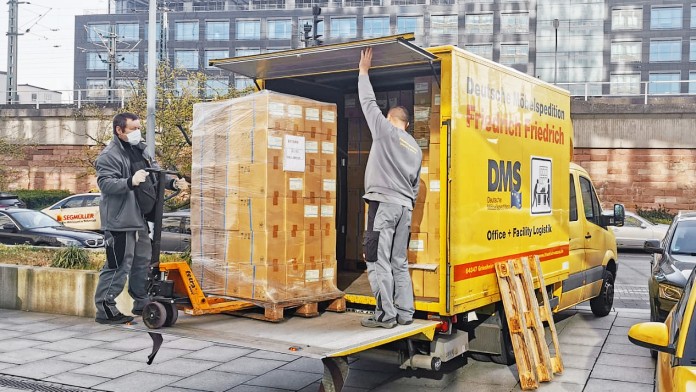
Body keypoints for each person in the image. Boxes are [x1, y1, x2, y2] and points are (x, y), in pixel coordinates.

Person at [93, 112, 189, 324]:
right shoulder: (108, 156)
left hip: (139, 218)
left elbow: (155, 173)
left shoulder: (141, 149)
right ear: (119, 130)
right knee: (118, 265)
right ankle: (105, 309)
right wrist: (130, 181)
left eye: (139, 128)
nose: (138, 132)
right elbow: (105, 184)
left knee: (143, 263)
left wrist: (173, 183)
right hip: (120, 221)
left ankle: (142, 302)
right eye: (133, 129)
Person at [358, 48, 422, 329]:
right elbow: (416, 187)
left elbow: (367, 101)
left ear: (389, 117)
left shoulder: (384, 130)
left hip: (383, 205)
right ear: (407, 123)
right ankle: (406, 313)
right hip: (404, 208)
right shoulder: (416, 148)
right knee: (399, 261)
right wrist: (406, 203)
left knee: (376, 259)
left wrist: (363, 72)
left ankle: (386, 315)